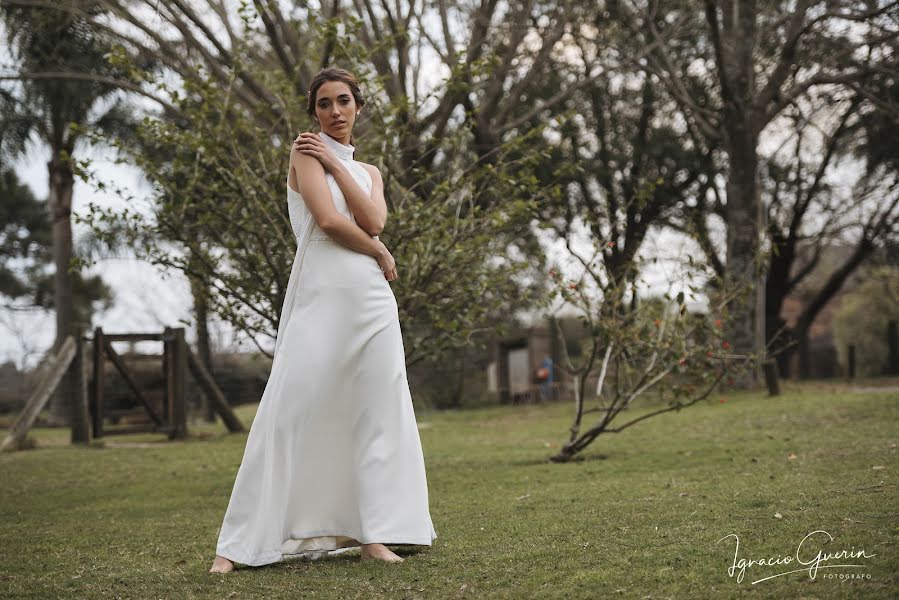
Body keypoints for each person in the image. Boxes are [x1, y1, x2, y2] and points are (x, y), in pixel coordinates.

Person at [209, 67, 437, 573]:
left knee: (374, 412)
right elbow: (332, 223)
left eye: (344, 102)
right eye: (325, 104)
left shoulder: (370, 172)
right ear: (314, 111)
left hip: (371, 301)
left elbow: (374, 219)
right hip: (322, 294)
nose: (335, 112)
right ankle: (236, 544)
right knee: (290, 407)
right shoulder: (303, 153)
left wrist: (340, 170)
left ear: (358, 106)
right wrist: (378, 248)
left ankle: (372, 535)